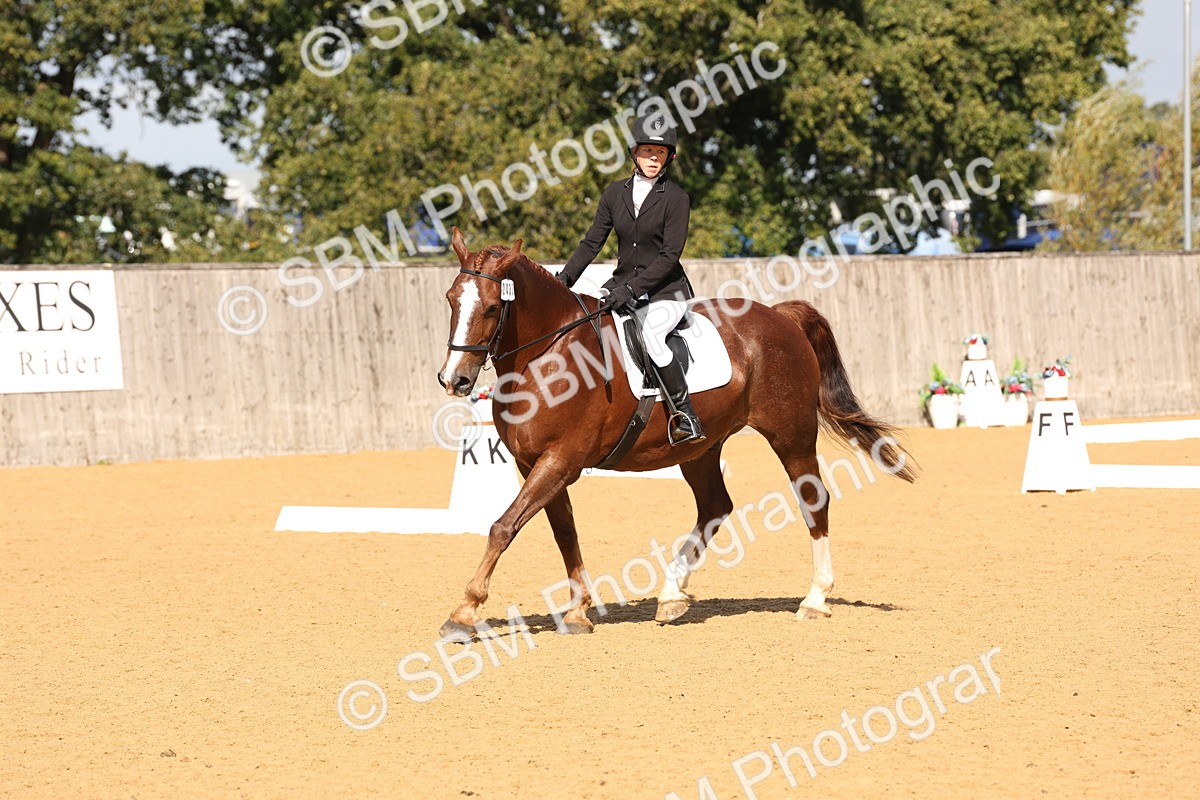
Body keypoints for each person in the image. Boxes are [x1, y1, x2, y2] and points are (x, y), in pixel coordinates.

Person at [554, 113, 704, 445]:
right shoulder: (614, 193)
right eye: (647, 151)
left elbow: (669, 256)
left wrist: (631, 289)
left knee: (652, 334)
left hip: (668, 292)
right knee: (588, 324)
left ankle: (685, 415)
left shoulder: (676, 198)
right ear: (634, 153)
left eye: (660, 153)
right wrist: (564, 279)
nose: (653, 158)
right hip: (622, 285)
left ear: (669, 157)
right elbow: (593, 241)